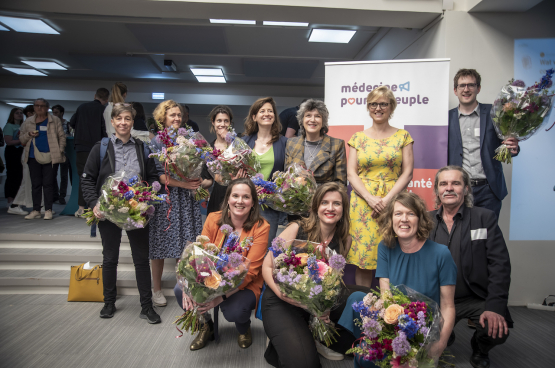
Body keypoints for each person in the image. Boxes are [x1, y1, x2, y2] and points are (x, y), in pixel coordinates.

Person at [338, 192, 457, 368]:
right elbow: (387, 298)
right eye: (398, 213)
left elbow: (448, 307)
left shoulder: (441, 254)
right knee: (357, 304)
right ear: (390, 219)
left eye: (411, 214)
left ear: (420, 219)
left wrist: (440, 344)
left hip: (423, 326)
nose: (404, 219)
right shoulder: (385, 248)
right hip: (394, 322)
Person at [81, 103, 161, 324]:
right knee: (110, 258)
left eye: (127, 119)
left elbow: (153, 176)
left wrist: (150, 194)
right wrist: (95, 204)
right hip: (108, 211)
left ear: (132, 122)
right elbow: (87, 180)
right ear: (113, 122)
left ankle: (146, 306)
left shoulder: (143, 148)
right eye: (119, 119)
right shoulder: (101, 147)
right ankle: (109, 302)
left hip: (137, 211)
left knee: (141, 260)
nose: (123, 122)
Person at [262, 182, 356, 367]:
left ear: (343, 209)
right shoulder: (297, 228)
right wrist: (281, 294)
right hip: (282, 298)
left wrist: (324, 308)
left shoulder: (345, 239)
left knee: (355, 336)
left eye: (336, 203)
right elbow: (267, 267)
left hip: (312, 301)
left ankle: (311, 334)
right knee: (305, 363)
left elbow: (333, 279)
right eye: (324, 202)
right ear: (316, 207)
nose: (330, 208)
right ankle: (279, 339)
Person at [429, 165, 512, 368]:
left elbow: (500, 265)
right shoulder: (426, 221)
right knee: (426, 337)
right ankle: (447, 336)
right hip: (438, 300)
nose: (449, 188)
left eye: (456, 183)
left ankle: (480, 347)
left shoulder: (484, 217)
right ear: (437, 190)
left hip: (475, 296)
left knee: (498, 327)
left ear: (465, 189)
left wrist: (494, 307)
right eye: (444, 184)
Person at [174, 178, 269, 350]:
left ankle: (243, 328)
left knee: (235, 311)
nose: (240, 201)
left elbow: (251, 271)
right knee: (179, 289)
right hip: (211, 278)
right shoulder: (213, 218)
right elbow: (200, 256)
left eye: (246, 197)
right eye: (235, 196)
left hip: (244, 283)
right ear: (227, 200)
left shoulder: (261, 227)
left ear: (253, 202)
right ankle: (206, 326)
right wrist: (188, 286)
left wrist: (220, 298)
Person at [346, 86, 414, 288]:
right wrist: (370, 198)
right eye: (374, 104)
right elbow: (351, 174)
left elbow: (408, 172)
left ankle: (392, 312)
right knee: (364, 261)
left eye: (383, 104)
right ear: (368, 107)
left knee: (394, 256)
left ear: (391, 107)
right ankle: (363, 310)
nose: (378, 108)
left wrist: (387, 200)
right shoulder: (357, 138)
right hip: (363, 204)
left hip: (394, 203)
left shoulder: (403, 136)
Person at [148, 100, 204, 308]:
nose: (177, 118)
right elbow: (160, 177)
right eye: (172, 115)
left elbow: (196, 163)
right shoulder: (155, 142)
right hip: (166, 200)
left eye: (179, 115)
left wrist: (193, 178)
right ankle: (156, 290)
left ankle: (186, 287)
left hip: (186, 200)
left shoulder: (188, 139)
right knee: (160, 246)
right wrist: (185, 183)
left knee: (187, 245)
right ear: (162, 117)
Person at [448, 69, 519, 220]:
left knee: (487, 238)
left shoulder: (495, 113)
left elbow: (504, 148)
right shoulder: (446, 118)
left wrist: (512, 148)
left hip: (488, 190)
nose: (466, 89)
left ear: (478, 88)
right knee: (460, 237)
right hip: (458, 189)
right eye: (462, 86)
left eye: (471, 85)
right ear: (455, 90)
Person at [242, 97, 288, 247]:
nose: (267, 114)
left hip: (269, 206)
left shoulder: (284, 143)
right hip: (244, 202)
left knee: (264, 248)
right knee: (241, 247)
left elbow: (287, 174)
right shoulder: (243, 142)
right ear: (254, 117)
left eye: (270, 111)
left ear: (274, 116)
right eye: (262, 111)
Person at [19, 98, 66, 220]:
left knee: (48, 183)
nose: (39, 108)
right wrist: (29, 135)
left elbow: (62, 137)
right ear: (34, 107)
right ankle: (36, 210)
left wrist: (60, 150)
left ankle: (48, 210)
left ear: (47, 107)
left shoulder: (54, 120)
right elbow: (22, 139)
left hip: (51, 156)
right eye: (37, 105)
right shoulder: (28, 121)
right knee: (36, 184)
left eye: (42, 106)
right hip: (33, 156)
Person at [285, 99, 347, 187]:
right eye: (308, 115)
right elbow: (287, 179)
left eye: (317, 116)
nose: (312, 120)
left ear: (323, 121)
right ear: (302, 120)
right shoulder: (291, 143)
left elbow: (341, 184)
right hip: (297, 199)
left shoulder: (337, 144)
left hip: (324, 198)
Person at [200, 105, 247, 215]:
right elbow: (208, 180)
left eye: (226, 121)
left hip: (238, 196)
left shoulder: (238, 145)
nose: (222, 124)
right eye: (219, 121)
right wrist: (196, 184)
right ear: (213, 122)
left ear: (230, 123)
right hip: (218, 197)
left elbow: (248, 168)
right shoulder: (209, 149)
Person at [70, 87, 109, 217]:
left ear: (95, 95)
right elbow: (105, 130)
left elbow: (72, 122)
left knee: (84, 177)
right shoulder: (104, 110)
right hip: (98, 148)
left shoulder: (82, 107)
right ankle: (95, 207)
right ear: (107, 99)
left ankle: (81, 208)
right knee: (98, 177)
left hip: (81, 147)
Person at [4, 108, 26, 215]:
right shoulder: (9, 126)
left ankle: (17, 200)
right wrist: (23, 139)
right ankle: (10, 200)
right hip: (12, 152)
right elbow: (8, 141)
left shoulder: (22, 126)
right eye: (17, 113)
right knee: (12, 175)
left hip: (21, 151)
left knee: (20, 176)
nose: (19, 115)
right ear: (12, 115)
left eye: (21, 113)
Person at [51, 104, 72, 205]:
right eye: (53, 112)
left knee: (64, 175)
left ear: (61, 113)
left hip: (65, 153)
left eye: (56, 112)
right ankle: (54, 194)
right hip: (54, 152)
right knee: (52, 174)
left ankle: (62, 196)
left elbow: (71, 136)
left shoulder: (67, 124)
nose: (54, 114)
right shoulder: (51, 124)